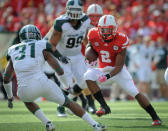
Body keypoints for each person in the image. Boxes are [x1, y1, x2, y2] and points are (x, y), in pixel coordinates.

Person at [3, 24, 106, 131]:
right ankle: (95, 125)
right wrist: (67, 86)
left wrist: (10, 97)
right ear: (37, 35)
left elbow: (6, 78)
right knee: (68, 103)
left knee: (27, 100)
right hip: (42, 83)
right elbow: (58, 69)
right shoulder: (42, 44)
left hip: (23, 88)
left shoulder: (13, 49)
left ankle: (48, 123)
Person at [84, 15, 162, 126]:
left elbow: (119, 66)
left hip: (117, 71)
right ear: (99, 28)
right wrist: (88, 53)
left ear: (115, 28)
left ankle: (155, 117)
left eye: (108, 30)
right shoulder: (92, 33)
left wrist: (107, 76)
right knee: (87, 76)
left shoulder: (122, 39)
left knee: (135, 92)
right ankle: (104, 106)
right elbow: (89, 44)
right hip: (102, 69)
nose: (105, 32)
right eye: (103, 29)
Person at [46, 0, 111, 115]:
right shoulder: (61, 22)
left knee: (85, 81)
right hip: (63, 56)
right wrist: (60, 57)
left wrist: (89, 50)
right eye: (73, 11)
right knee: (67, 85)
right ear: (67, 11)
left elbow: (85, 37)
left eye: (78, 11)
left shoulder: (86, 20)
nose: (75, 15)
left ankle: (66, 102)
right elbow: (52, 44)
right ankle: (61, 107)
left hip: (77, 55)